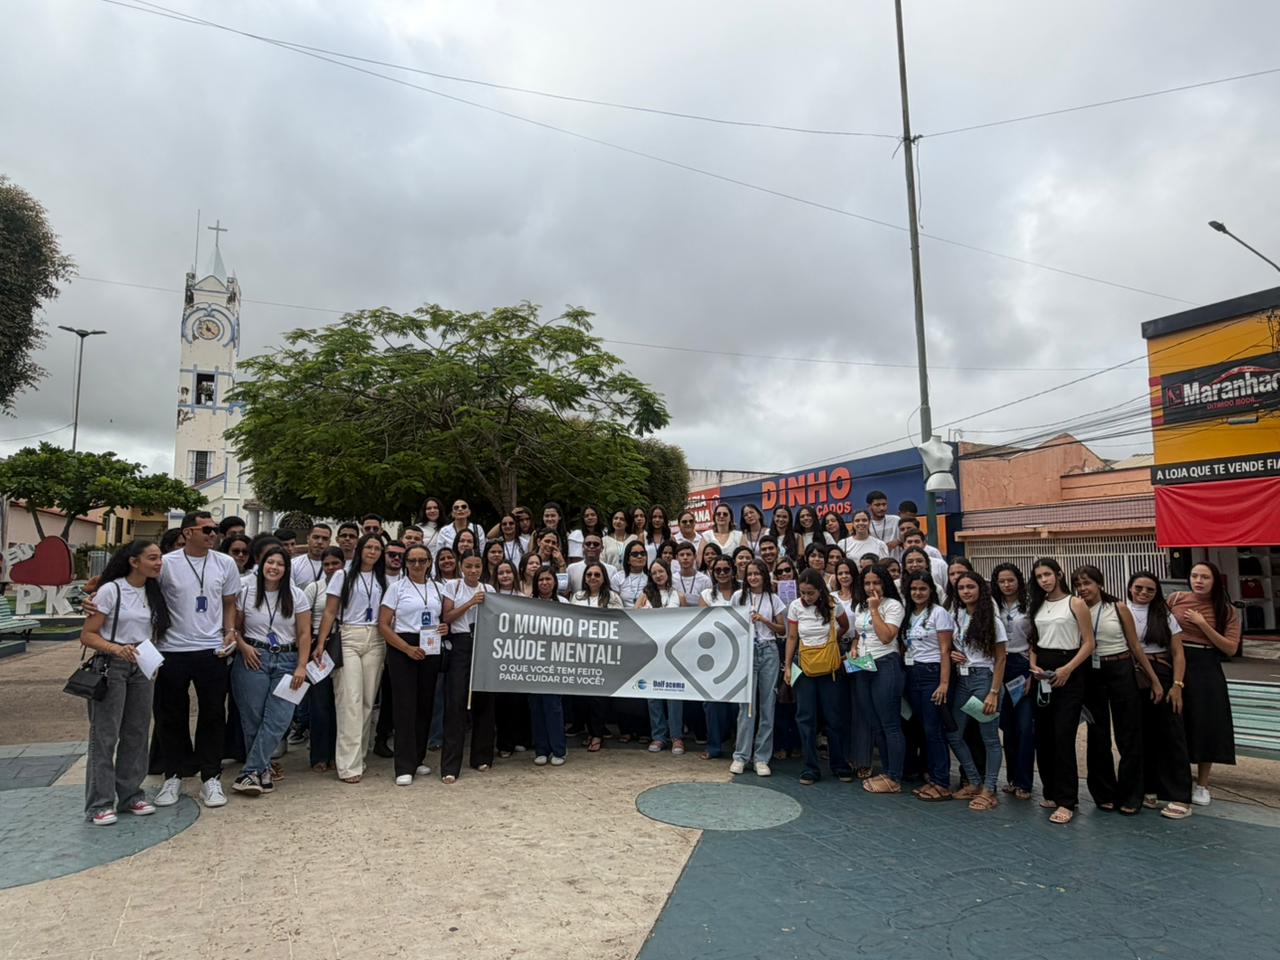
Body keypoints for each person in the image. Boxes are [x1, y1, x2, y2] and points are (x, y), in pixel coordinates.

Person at [150, 512, 241, 810]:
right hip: (173, 649)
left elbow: (229, 603)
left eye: (215, 529)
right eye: (207, 529)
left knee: (213, 714)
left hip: (211, 649)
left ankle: (210, 777)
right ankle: (173, 774)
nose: (213, 534)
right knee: (171, 715)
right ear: (188, 533)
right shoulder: (167, 564)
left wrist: (229, 631)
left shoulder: (225, 563)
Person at [80, 541, 170, 825]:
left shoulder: (154, 591)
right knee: (105, 734)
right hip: (112, 664)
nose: (159, 563)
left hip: (142, 664)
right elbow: (88, 634)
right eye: (152, 558)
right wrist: (116, 649)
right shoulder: (112, 590)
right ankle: (100, 802)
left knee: (137, 731)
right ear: (134, 561)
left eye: (160, 558)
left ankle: (131, 794)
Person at [1074, 564, 1162, 816]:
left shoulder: (1117, 607)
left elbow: (1135, 645)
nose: (1083, 588)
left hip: (1121, 669)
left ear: (1099, 584)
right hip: (1092, 673)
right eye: (1078, 584)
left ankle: (1132, 794)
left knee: (1128, 733)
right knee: (1097, 734)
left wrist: (1154, 679)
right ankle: (1104, 793)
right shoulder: (1076, 608)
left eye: (1087, 583)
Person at [230, 546, 310, 797]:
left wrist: (302, 665)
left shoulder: (296, 595)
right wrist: (243, 647)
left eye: (280, 564)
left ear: (287, 569)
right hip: (253, 657)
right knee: (253, 717)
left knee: (279, 719)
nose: (274, 568)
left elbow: (304, 633)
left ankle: (250, 771)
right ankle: (261, 771)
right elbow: (233, 628)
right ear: (262, 564)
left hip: (287, 660)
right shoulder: (246, 592)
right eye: (270, 562)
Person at [1029, 557, 1097, 824]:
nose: (1044, 580)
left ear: (1058, 574)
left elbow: (1089, 643)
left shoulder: (1075, 603)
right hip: (1043, 673)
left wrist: (1068, 669)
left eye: (1047, 574)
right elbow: (1034, 641)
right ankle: (1051, 791)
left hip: (1069, 670)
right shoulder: (1038, 604)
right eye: (1039, 576)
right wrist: (1033, 665)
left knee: (1063, 736)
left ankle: (1067, 800)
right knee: (1043, 735)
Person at [1168, 561, 1241, 807]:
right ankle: (1176, 780)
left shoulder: (1227, 610)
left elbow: (1230, 648)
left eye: (1205, 577)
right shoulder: (1176, 599)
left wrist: (1202, 624)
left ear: (1215, 580)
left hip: (1206, 666)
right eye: (1194, 576)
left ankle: (1202, 784)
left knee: (1205, 725)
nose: (1198, 581)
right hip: (1175, 662)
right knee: (1176, 723)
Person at [316, 533, 387, 784]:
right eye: (369, 547)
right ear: (360, 549)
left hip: (375, 637)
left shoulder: (382, 578)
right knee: (350, 700)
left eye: (377, 548)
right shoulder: (342, 575)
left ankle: (359, 756)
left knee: (367, 701)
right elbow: (330, 611)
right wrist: (321, 642)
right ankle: (348, 765)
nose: (373, 552)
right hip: (348, 635)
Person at [378, 544, 446, 786]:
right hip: (403, 646)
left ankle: (418, 758)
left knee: (425, 704)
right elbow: (383, 624)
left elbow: (442, 617)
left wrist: (444, 627)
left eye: (422, 560)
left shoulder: (438, 588)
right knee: (405, 706)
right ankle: (404, 765)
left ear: (429, 563)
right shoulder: (396, 588)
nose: (417, 565)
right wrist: (406, 648)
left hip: (430, 644)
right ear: (406, 564)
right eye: (412, 561)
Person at [1128, 571, 1192, 819]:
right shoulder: (1122, 611)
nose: (1143, 593)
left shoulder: (1164, 615)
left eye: (1150, 589)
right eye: (1138, 588)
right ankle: (1149, 788)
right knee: (1140, 734)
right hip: (1132, 676)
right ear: (1130, 588)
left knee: (1171, 734)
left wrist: (1177, 685)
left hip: (1162, 674)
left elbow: (1178, 653)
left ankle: (1180, 796)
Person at [783, 569, 851, 785]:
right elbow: (792, 637)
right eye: (803, 593)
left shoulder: (833, 604)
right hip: (805, 667)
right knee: (805, 717)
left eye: (810, 593)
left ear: (820, 590)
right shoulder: (795, 607)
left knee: (834, 717)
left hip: (830, 668)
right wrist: (787, 666)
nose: (806, 597)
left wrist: (832, 641)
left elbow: (845, 626)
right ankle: (810, 767)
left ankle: (839, 763)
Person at [945, 570, 1007, 811]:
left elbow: (1001, 659)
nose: (966, 591)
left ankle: (989, 789)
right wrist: (953, 653)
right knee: (954, 733)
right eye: (961, 588)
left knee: (989, 737)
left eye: (970, 587)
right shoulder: (958, 616)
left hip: (984, 680)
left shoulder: (992, 620)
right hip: (963, 680)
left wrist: (994, 692)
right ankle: (974, 781)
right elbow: (955, 644)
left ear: (980, 589)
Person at [440, 551, 496, 782]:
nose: (473, 571)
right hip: (460, 643)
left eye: (477, 566)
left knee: (484, 699)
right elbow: (447, 617)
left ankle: (481, 756)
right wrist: (471, 602)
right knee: (456, 702)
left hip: (483, 642)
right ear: (461, 567)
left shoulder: (489, 589)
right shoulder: (453, 586)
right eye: (469, 566)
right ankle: (450, 766)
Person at [852, 565, 908, 795]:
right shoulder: (860, 605)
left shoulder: (893, 606)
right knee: (874, 724)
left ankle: (895, 776)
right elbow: (860, 633)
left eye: (876, 582)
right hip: (863, 665)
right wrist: (855, 647)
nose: (871, 587)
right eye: (867, 583)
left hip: (885, 663)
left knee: (890, 723)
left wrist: (875, 610)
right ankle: (886, 771)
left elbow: (886, 637)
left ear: (885, 583)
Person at [899, 572, 955, 801]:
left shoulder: (939, 613)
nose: (918, 593)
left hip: (932, 672)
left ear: (931, 589)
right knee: (922, 728)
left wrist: (944, 683)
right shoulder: (909, 614)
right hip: (913, 673)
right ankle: (931, 777)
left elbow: (945, 650)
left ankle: (942, 782)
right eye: (914, 589)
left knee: (934, 730)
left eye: (922, 588)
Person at [731, 560, 785, 776]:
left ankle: (762, 758)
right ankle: (740, 755)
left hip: (769, 650)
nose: (753, 577)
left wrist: (764, 620)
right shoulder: (738, 597)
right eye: (750, 574)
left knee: (767, 705)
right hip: (746, 651)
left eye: (757, 574)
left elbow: (782, 629)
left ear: (764, 576)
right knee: (746, 705)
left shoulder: (773, 599)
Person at [992, 562, 1034, 801]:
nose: (1007, 585)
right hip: (1000, 663)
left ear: (1019, 581)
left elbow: (1037, 638)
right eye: (1002, 581)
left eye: (1011, 580)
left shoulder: (1030, 605)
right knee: (1007, 726)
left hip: (1022, 664)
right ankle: (1012, 779)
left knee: (1025, 727)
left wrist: (1031, 672)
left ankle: (1025, 782)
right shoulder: (993, 605)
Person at [570, 561, 623, 753]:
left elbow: (620, 622)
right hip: (582, 654)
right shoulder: (577, 596)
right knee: (583, 697)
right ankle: (590, 731)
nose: (593, 578)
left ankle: (597, 735)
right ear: (584, 578)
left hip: (603, 654)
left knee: (599, 698)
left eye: (597, 575)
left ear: (603, 578)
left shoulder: (613, 597)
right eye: (589, 574)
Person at [303, 546, 345, 772]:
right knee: (319, 702)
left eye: (335, 563)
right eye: (326, 564)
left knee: (340, 701)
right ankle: (319, 755)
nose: (330, 568)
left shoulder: (350, 585)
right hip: (318, 645)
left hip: (343, 643)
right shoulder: (315, 588)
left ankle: (337, 754)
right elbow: (304, 618)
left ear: (343, 564)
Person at [638, 559, 684, 755]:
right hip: (651, 651)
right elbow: (635, 618)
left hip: (673, 651)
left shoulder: (678, 595)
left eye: (661, 571)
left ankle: (676, 737)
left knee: (675, 695)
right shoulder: (645, 595)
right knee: (653, 694)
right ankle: (658, 736)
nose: (658, 575)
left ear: (668, 572)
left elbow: (687, 621)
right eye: (654, 573)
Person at [698, 555, 740, 760]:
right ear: (712, 573)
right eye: (718, 570)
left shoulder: (743, 593)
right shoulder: (706, 595)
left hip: (740, 653)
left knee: (738, 702)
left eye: (726, 569)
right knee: (712, 701)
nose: (722, 573)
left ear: (733, 571)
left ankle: (739, 743)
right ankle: (714, 745)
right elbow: (703, 623)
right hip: (714, 654)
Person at [528, 568, 568, 765]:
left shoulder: (564, 603)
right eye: (541, 579)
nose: (544, 583)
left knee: (553, 706)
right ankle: (541, 750)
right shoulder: (527, 604)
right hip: (533, 662)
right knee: (536, 706)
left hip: (556, 662)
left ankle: (559, 750)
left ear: (554, 582)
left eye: (548, 579)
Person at [291, 524, 332, 589]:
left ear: (329, 542)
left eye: (325, 539)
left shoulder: (335, 566)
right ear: (308, 539)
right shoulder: (294, 564)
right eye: (316, 537)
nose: (320, 542)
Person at [671, 541, 711, 606]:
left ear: (695, 556)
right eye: (682, 555)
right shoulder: (671, 579)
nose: (685, 558)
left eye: (688, 554)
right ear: (676, 558)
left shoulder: (705, 580)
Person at [612, 542, 650, 609]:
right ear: (628, 560)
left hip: (647, 613)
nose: (640, 556)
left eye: (643, 553)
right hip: (623, 614)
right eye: (635, 554)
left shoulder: (651, 577)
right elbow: (614, 603)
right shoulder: (618, 577)